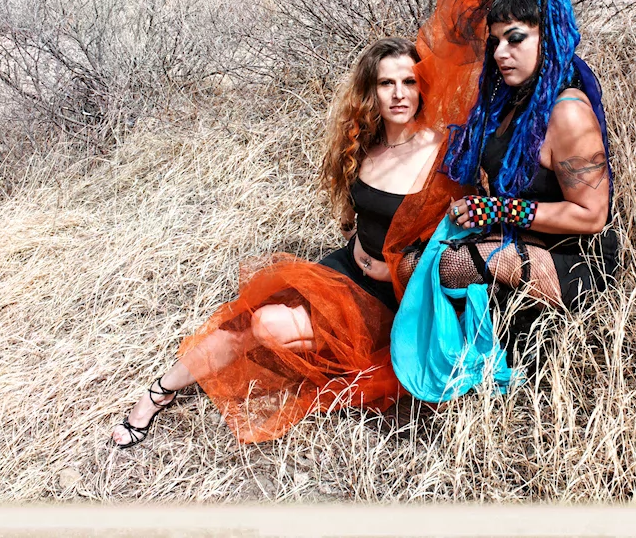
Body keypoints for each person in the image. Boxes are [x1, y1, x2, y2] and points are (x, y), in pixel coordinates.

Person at [111, 37, 442, 447]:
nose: (398, 94)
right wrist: (356, 237)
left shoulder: (439, 151)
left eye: (409, 81)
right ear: (370, 91)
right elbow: (357, 213)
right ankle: (157, 393)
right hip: (344, 269)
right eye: (386, 83)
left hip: (390, 296)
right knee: (244, 320)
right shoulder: (366, 143)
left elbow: (449, 239)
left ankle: (334, 356)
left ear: (422, 86)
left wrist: (397, 268)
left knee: (266, 326)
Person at [438, 0, 619, 345]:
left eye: (515, 39)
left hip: (574, 262)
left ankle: (489, 354)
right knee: (413, 262)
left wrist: (499, 210)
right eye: (495, 42)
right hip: (523, 242)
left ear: (548, 37)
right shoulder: (514, 102)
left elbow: (592, 216)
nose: (500, 53)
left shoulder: (567, 112)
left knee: (451, 264)